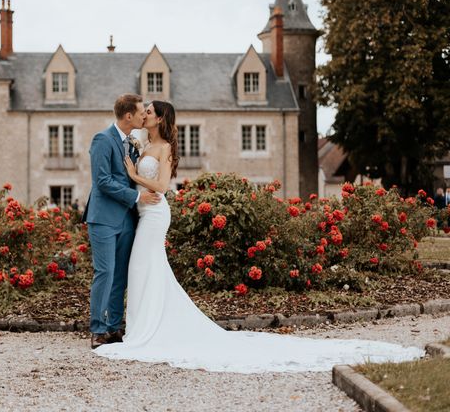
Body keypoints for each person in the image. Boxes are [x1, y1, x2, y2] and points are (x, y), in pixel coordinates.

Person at [93, 100, 423, 373]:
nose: (145, 112)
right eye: (143, 109)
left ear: (161, 118)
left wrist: (136, 175)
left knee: (143, 269)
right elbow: (118, 162)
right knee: (142, 271)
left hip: (154, 213)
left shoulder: (161, 147)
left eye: (150, 110)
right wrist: (134, 175)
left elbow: (162, 187)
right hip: (142, 215)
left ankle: (144, 331)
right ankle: (138, 328)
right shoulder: (140, 142)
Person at [83, 94, 160, 349]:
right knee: (104, 273)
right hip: (103, 218)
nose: (143, 116)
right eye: (140, 112)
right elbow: (102, 181)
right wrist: (137, 195)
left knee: (120, 276)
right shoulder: (102, 140)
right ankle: (97, 329)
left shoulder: (133, 142)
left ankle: (114, 327)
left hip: (127, 219)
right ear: (128, 116)